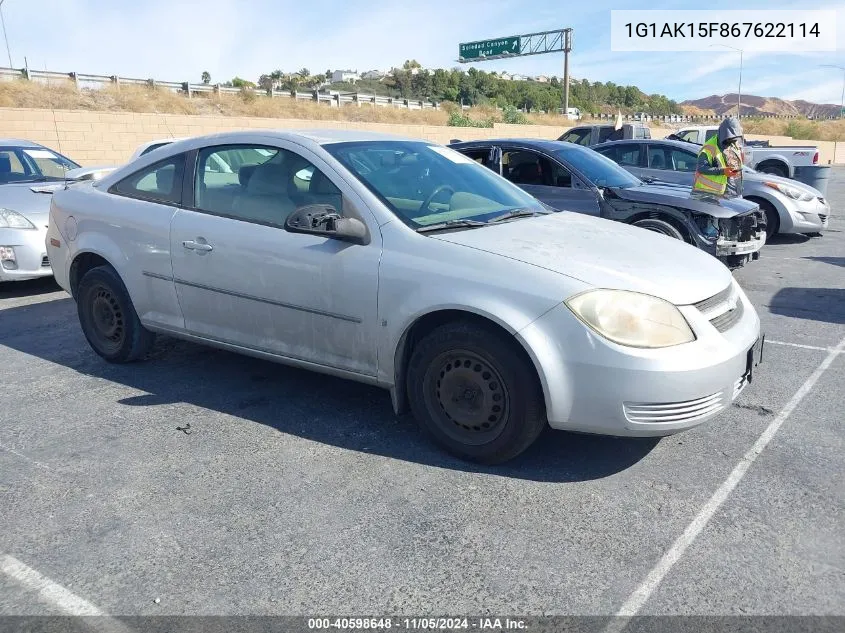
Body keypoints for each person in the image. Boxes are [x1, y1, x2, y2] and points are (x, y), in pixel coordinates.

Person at [692, 116, 744, 199]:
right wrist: (723, 171)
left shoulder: (733, 144)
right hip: (712, 195)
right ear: (724, 134)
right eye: (730, 138)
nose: (732, 141)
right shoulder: (709, 147)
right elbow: (701, 168)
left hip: (735, 192)